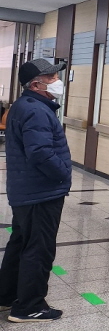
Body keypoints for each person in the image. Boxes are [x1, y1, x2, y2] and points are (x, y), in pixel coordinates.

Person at [0, 58, 71, 322]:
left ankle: (6, 296)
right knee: (39, 249)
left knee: (21, 243)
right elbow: (40, 152)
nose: (57, 81)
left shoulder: (24, 106)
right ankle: (29, 306)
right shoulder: (36, 110)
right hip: (40, 192)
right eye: (51, 78)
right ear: (35, 84)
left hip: (27, 191)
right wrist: (62, 173)